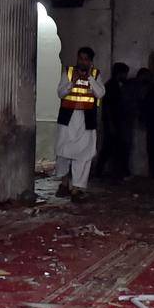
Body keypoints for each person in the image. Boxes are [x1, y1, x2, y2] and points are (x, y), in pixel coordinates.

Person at [54, 46, 106, 200]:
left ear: (90, 61)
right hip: (68, 120)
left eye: (85, 59)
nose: (82, 62)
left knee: (84, 154)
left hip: (86, 120)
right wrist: (72, 82)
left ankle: (78, 188)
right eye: (80, 58)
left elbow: (100, 93)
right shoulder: (69, 72)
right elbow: (60, 93)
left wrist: (89, 78)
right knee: (63, 152)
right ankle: (64, 183)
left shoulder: (95, 75)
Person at [94, 63, 133, 182]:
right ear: (119, 73)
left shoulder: (116, 85)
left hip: (116, 122)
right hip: (113, 122)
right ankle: (109, 174)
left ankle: (106, 173)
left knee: (112, 148)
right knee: (110, 148)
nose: (126, 76)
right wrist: (111, 124)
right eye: (124, 73)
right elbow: (108, 107)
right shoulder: (111, 86)